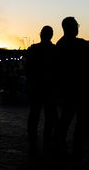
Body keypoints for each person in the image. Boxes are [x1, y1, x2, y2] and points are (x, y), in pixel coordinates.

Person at [54, 17, 89, 159]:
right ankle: (76, 149)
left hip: (68, 89)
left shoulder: (60, 45)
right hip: (81, 89)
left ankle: (61, 146)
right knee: (80, 121)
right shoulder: (82, 45)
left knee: (66, 119)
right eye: (76, 26)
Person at [26, 26, 58, 155]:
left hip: (36, 87)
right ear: (51, 35)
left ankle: (32, 142)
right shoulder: (55, 50)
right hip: (50, 88)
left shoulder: (33, 49)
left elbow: (27, 69)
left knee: (34, 116)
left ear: (40, 35)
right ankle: (47, 140)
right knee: (49, 116)